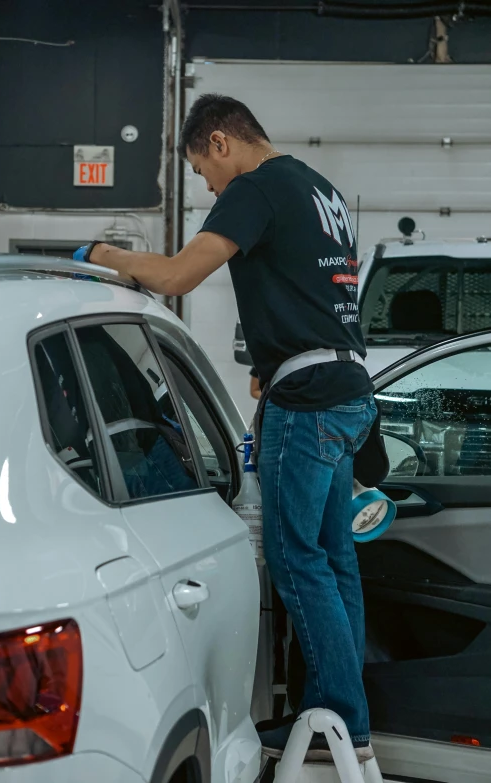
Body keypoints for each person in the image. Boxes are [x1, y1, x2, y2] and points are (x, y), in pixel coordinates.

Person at [75, 94, 377, 764]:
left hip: (309, 403)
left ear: (219, 142)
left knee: (298, 559)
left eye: (201, 171)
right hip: (347, 389)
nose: (208, 187)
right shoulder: (315, 186)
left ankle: (339, 720)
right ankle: (343, 718)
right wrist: (273, 355)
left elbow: (180, 273)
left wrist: (100, 254)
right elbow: (314, 291)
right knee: (334, 559)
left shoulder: (256, 187)